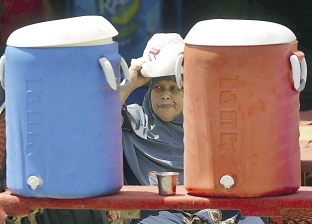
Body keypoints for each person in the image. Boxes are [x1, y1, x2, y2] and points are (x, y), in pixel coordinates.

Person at [117, 58, 265, 224]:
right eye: (158, 88)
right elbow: (97, 122)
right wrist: (131, 82)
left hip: (217, 209)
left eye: (174, 88)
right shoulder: (135, 120)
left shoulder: (210, 124)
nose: (165, 95)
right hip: (159, 213)